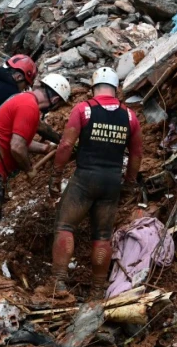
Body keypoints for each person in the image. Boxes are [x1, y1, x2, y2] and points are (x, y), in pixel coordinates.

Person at [48, 67, 143, 299]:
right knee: (102, 236)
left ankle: (59, 282)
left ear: (93, 88)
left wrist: (56, 175)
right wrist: (129, 184)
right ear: (116, 89)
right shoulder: (130, 117)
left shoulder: (84, 109)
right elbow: (137, 155)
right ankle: (98, 289)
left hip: (85, 178)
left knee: (65, 226)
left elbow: (66, 145)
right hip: (111, 183)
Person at [0, 74, 71, 235]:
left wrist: (45, 148)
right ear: (55, 100)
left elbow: (19, 140)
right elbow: (17, 147)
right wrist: (29, 169)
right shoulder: (29, 107)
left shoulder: (22, 99)